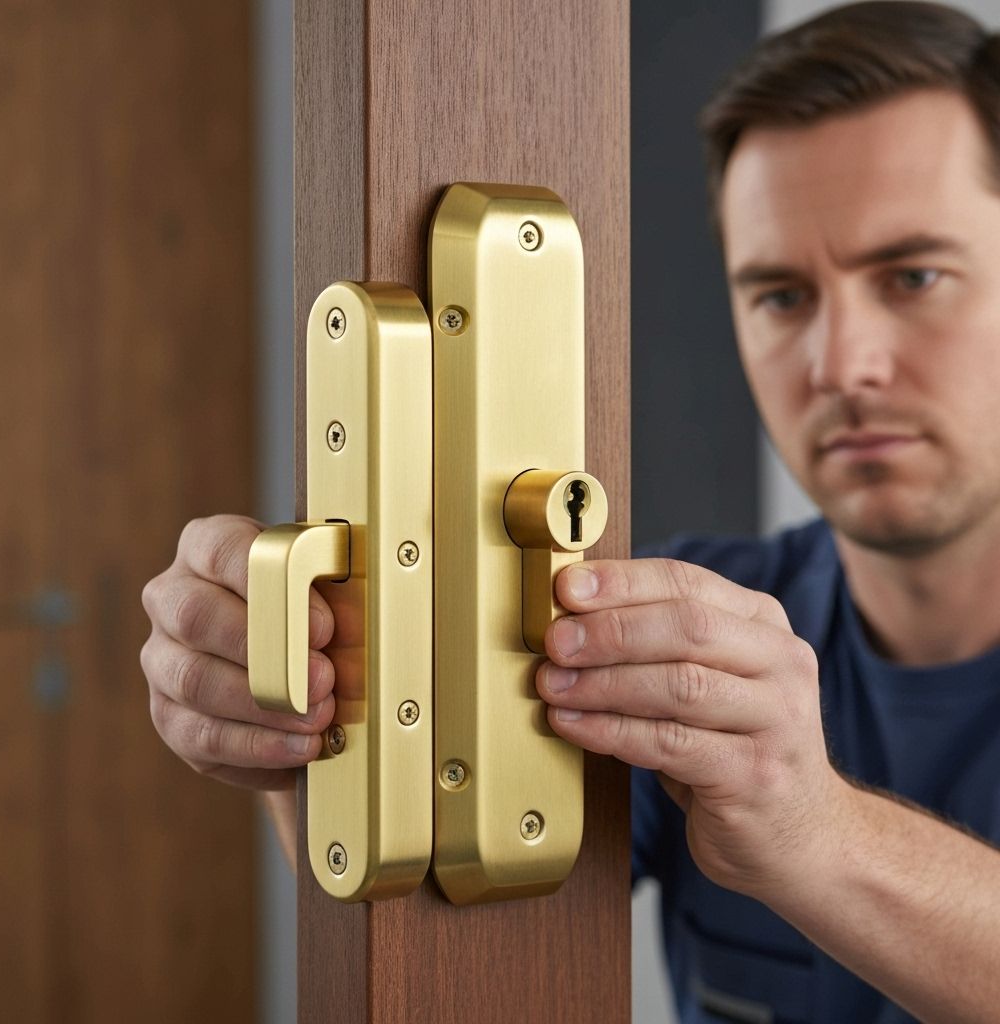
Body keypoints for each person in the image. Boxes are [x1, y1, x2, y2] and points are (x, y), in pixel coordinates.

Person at [139, 3, 1000, 1021]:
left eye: (913, 276)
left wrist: (822, 836)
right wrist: (303, 730)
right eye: (780, 295)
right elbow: (445, 936)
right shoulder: (706, 633)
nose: (840, 364)